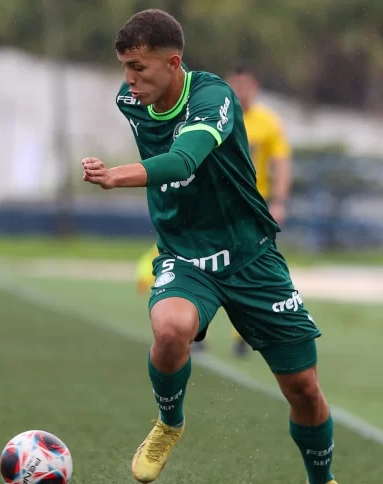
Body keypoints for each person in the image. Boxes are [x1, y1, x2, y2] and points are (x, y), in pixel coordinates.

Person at [82, 10, 336, 484]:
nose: (128, 81)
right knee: (171, 328)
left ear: (174, 63)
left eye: (139, 68)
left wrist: (116, 176)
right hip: (185, 253)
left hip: (251, 254)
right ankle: (169, 422)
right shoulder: (130, 100)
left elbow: (181, 161)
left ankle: (323, 480)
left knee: (304, 388)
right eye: (124, 68)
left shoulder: (214, 96)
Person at [227, 64, 294, 357]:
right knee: (207, 263)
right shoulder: (218, 115)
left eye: (246, 85)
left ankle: (242, 333)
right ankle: (197, 330)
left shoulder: (268, 122)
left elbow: (282, 162)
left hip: (254, 203)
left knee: (250, 267)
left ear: (255, 87)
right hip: (218, 201)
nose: (241, 92)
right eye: (235, 86)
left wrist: (279, 202)